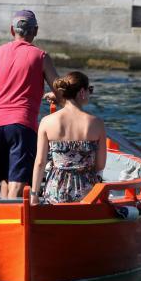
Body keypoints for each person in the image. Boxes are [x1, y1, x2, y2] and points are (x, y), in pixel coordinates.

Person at [0, 10, 59, 199]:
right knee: (18, 182)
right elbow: (60, 89)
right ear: (35, 31)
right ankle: (13, 221)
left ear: (12, 31)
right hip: (21, 123)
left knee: (3, 179)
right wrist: (54, 96)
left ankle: (2, 219)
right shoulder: (41, 57)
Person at [30, 71, 106, 205]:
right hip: (88, 193)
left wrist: (34, 195)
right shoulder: (96, 123)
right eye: (90, 90)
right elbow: (100, 165)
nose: (90, 93)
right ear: (82, 92)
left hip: (56, 191)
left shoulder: (47, 122)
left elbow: (40, 163)